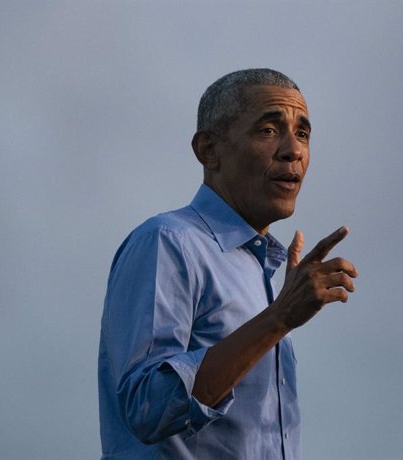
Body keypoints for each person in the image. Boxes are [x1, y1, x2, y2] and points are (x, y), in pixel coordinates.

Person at [98, 68, 358, 459]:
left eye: (302, 133)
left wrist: (278, 314)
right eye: (269, 130)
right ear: (209, 150)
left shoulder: (263, 270)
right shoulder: (168, 241)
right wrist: (280, 317)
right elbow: (146, 408)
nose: (293, 150)